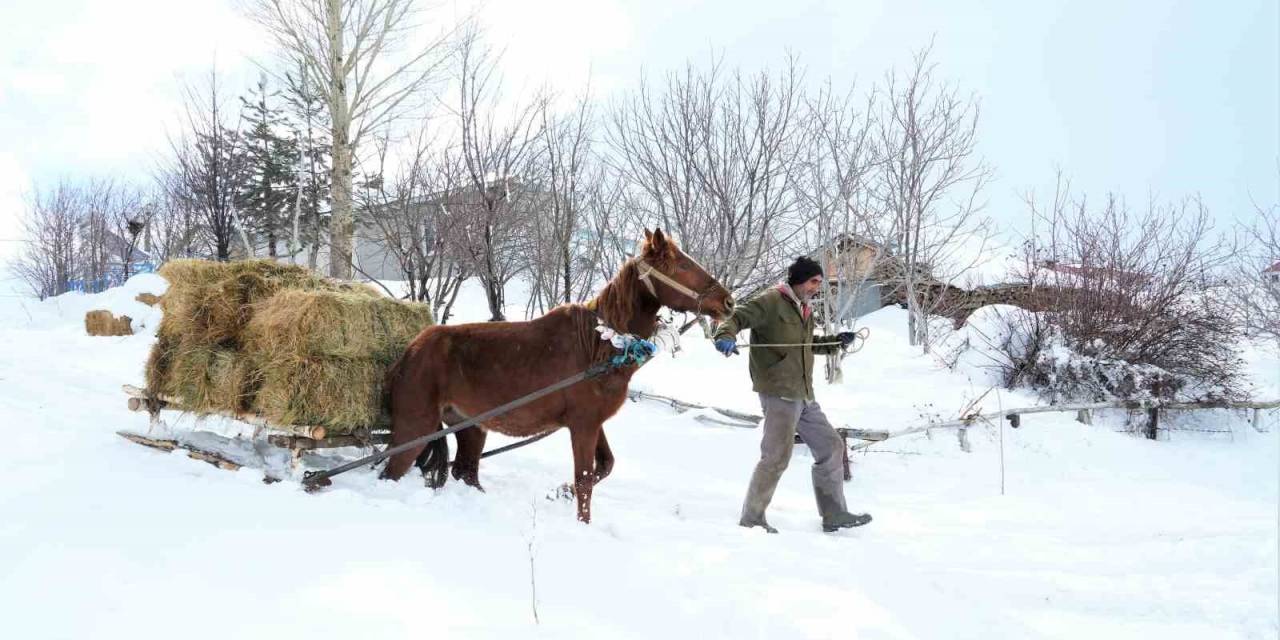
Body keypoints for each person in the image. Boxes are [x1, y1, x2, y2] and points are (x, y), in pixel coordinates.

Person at [712, 256, 873, 533]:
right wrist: (723, 336)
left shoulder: (804, 309)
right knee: (776, 457)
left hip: (803, 394)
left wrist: (836, 342)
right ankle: (752, 519)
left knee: (831, 446)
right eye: (813, 281)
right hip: (779, 393)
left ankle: (834, 514)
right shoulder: (771, 301)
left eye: (820, 283)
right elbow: (735, 318)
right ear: (798, 280)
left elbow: (806, 346)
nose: (816, 287)